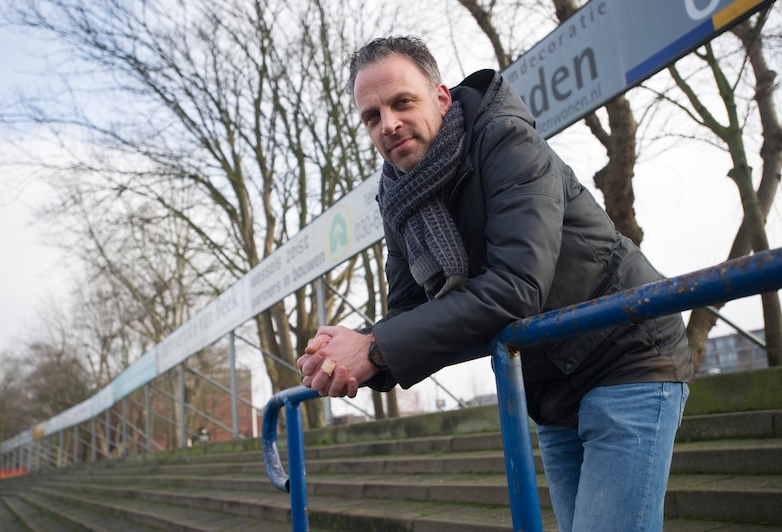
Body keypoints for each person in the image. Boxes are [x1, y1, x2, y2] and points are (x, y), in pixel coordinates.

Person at [297, 35, 693, 531]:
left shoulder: (506, 140)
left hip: (627, 351)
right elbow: (408, 315)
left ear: (441, 98)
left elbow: (515, 287)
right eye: (372, 116)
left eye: (402, 102)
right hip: (550, 383)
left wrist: (375, 348)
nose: (389, 124)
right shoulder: (397, 198)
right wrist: (350, 355)